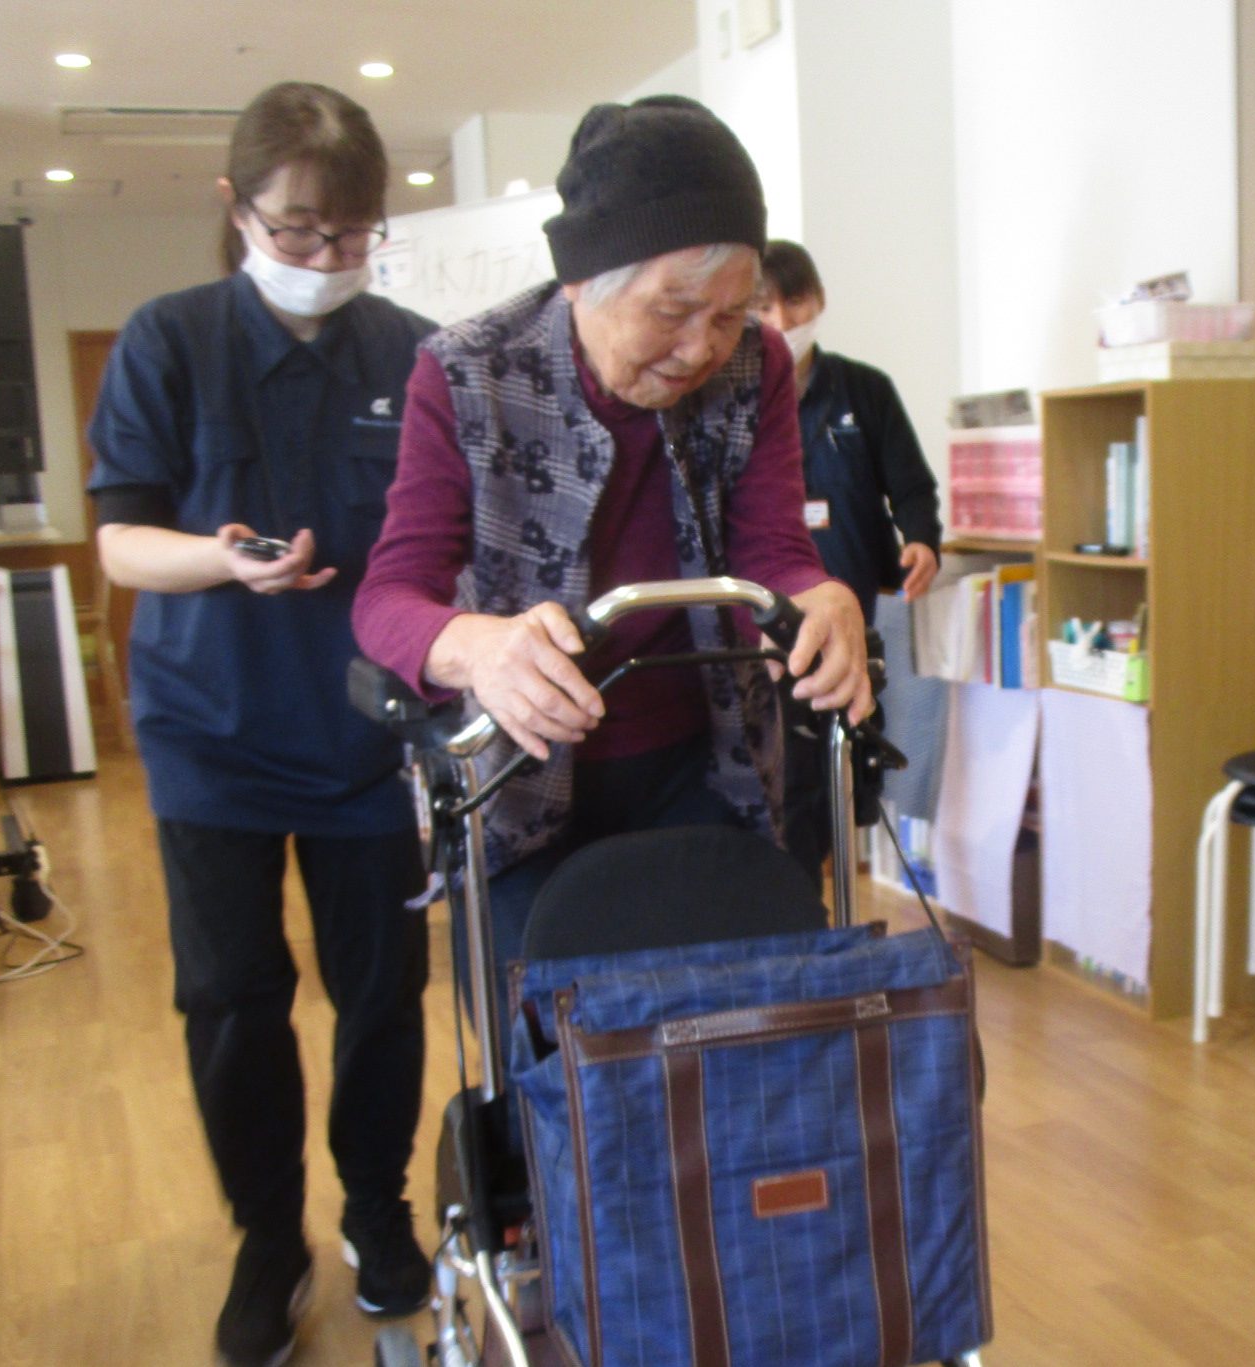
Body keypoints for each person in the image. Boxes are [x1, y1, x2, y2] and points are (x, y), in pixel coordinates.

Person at [352, 95, 870, 1002]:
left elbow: (774, 549)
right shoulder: (470, 373)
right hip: (523, 772)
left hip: (704, 759)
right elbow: (390, 595)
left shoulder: (757, 364)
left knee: (742, 1026)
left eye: (729, 314)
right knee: (550, 1044)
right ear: (581, 278)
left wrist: (820, 597)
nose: (701, 348)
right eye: (673, 310)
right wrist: (478, 647)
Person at [86, 82, 435, 1367]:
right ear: (236, 209)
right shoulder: (169, 339)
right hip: (210, 731)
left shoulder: (414, 354)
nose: (325, 256)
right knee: (233, 999)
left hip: (366, 736)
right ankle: (268, 1239)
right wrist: (220, 561)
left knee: (381, 991)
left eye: (351, 233)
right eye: (297, 230)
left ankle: (376, 1206)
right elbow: (121, 542)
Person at [755, 240, 943, 878]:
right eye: (764, 307)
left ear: (819, 301)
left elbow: (912, 487)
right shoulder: (737, 400)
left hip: (858, 617)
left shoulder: (865, 391)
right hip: (771, 634)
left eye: (795, 302)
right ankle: (798, 896)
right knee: (787, 790)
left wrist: (922, 539)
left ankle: (836, 890)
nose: (782, 320)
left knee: (849, 779)